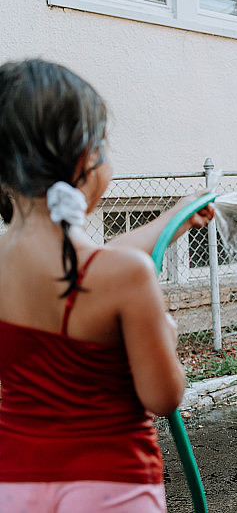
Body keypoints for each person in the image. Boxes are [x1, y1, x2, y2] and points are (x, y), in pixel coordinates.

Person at [0, 59, 214, 512]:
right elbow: (163, 397)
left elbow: (88, 266)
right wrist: (165, 335)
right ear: (86, 159)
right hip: (110, 488)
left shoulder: (95, 270)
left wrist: (173, 219)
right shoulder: (124, 277)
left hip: (15, 482)